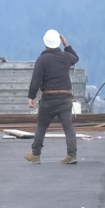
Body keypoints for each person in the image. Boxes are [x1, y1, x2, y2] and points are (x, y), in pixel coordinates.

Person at [25, 29, 80, 164]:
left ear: (45, 43)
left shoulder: (42, 59)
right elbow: (75, 57)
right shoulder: (65, 57)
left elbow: (36, 80)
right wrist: (66, 44)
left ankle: (36, 154)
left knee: (42, 126)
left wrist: (31, 96)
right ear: (58, 43)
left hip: (49, 100)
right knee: (68, 127)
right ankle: (72, 155)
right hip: (65, 99)